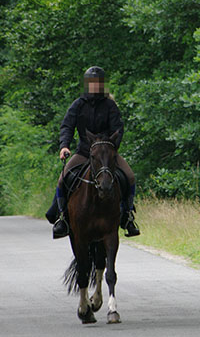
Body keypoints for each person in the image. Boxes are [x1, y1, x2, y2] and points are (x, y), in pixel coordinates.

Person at [48, 66, 140, 238]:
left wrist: (111, 147)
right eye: (92, 83)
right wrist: (64, 146)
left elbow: (118, 129)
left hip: (106, 154)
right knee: (62, 179)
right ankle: (61, 218)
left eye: (98, 83)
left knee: (130, 176)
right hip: (84, 152)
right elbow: (67, 126)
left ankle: (127, 217)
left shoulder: (110, 105)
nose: (94, 86)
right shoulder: (78, 105)